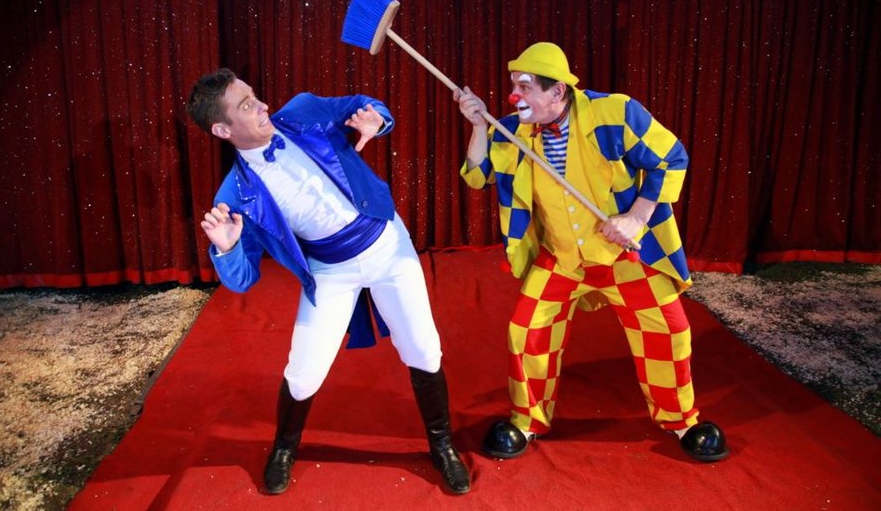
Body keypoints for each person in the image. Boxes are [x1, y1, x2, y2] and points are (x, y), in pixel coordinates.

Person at [185, 68, 470, 495]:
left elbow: (364, 105)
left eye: (254, 95)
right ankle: (284, 448)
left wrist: (376, 119)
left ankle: (442, 445)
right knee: (304, 372)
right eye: (246, 105)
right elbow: (243, 280)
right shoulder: (234, 196)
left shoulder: (303, 111)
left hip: (387, 246)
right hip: (330, 271)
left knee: (424, 350)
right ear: (223, 129)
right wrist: (227, 249)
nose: (262, 105)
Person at [453, 42, 728, 462]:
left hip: (623, 258)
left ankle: (681, 420)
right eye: (513, 86)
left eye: (525, 87)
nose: (513, 96)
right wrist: (477, 126)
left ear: (557, 91)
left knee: (669, 331)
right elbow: (477, 176)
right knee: (526, 332)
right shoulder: (509, 131)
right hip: (561, 258)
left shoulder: (614, 112)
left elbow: (671, 157)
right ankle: (527, 420)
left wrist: (636, 217)